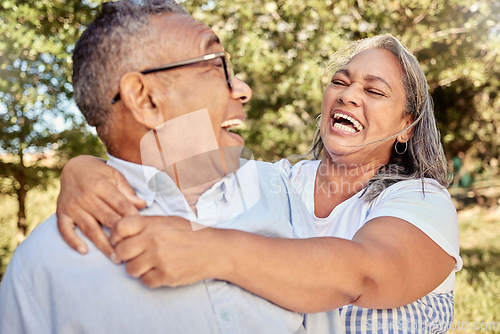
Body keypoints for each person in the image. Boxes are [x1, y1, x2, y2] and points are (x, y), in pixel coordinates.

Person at [56, 33, 463, 334]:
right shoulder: (275, 181)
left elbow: (366, 275)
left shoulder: (423, 200)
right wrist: (86, 168)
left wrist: (208, 250)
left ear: (406, 126)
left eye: (374, 90)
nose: (349, 95)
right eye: (340, 82)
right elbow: (157, 162)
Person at [0, 1, 340, 333]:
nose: (243, 89)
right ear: (146, 100)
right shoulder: (45, 268)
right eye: (216, 65)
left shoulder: (279, 193)